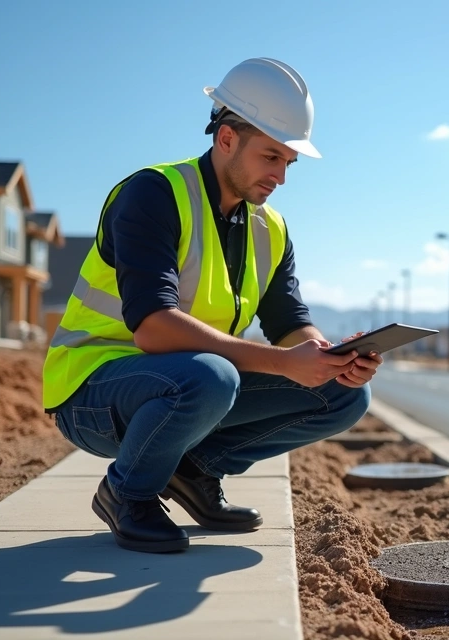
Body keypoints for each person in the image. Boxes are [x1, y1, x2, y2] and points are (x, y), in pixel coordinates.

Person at [42, 58, 380, 553]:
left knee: (344, 395)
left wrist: (330, 357)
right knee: (211, 378)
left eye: (289, 162)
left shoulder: (272, 229)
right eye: (270, 157)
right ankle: (127, 493)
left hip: (187, 386)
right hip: (94, 390)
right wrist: (283, 363)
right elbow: (154, 329)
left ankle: (193, 471)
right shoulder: (154, 194)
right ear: (226, 139)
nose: (281, 177)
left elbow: (290, 322)